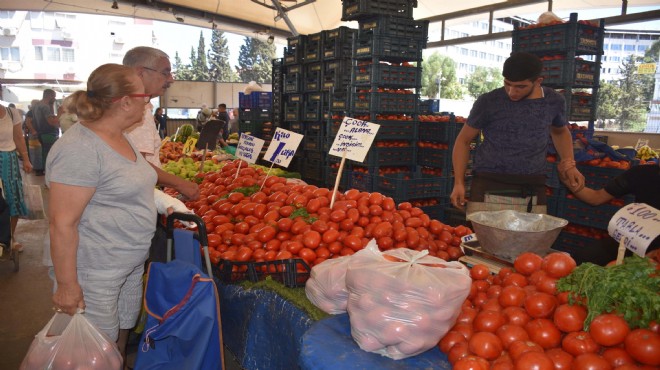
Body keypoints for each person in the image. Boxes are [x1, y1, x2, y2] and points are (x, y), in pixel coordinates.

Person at [45, 63, 191, 367]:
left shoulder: (120, 136)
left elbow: (132, 176)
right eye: (144, 97)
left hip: (126, 262)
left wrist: (172, 195)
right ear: (124, 102)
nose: (148, 102)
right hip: (93, 270)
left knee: (119, 332)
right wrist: (67, 285)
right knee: (93, 350)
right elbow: (62, 223)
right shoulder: (79, 150)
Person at [451, 52, 585, 215]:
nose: (511, 92)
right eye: (507, 84)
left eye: (520, 86)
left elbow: (560, 132)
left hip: (532, 186)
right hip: (488, 183)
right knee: (485, 239)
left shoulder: (553, 101)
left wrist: (569, 164)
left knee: (531, 238)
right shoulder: (488, 101)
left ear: (538, 81)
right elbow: (463, 141)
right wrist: (459, 182)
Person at [122, 46, 199, 200]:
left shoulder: (136, 107)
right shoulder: (135, 112)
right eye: (165, 73)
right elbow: (136, 165)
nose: (171, 79)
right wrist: (180, 184)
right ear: (141, 73)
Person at [0, 103, 33, 252]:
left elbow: (18, 137)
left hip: (9, 161)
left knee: (13, 198)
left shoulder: (11, 113)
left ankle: (10, 237)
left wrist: (26, 159)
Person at [32, 89, 60, 176]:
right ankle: (48, 172)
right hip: (48, 133)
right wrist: (60, 114)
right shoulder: (45, 107)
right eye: (54, 96)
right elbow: (51, 122)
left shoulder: (37, 105)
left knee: (45, 152)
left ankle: (45, 170)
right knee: (50, 153)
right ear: (50, 96)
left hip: (40, 133)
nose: (55, 99)